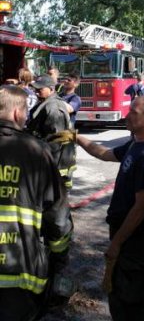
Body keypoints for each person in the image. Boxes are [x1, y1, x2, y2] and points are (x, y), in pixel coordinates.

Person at [53, 96, 144, 320]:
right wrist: (76, 138)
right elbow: (103, 153)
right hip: (124, 233)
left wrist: (116, 243)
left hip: (135, 239)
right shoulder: (135, 145)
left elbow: (140, 208)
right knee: (119, 292)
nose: (127, 116)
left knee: (137, 298)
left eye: (133, 112)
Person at [0, 84, 73, 320]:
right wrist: (59, 259)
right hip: (20, 271)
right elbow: (58, 216)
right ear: (17, 113)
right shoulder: (38, 152)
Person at [27, 74, 76, 191]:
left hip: (56, 162)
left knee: (54, 196)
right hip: (52, 159)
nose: (37, 92)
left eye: (40, 89)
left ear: (52, 89)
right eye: (35, 89)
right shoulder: (46, 103)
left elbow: (57, 141)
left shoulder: (54, 108)